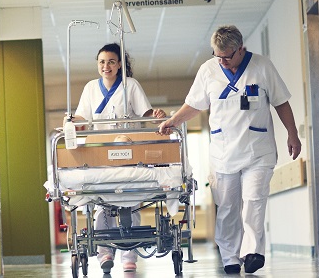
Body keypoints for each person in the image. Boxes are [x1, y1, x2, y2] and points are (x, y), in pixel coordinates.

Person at [156, 25, 301, 274]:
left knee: (254, 200)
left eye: (227, 56)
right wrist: (174, 121)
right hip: (223, 153)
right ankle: (230, 256)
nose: (222, 61)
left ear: (240, 49)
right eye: (217, 56)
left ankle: (253, 252)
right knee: (227, 208)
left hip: (258, 150)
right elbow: (194, 105)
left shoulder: (262, 66)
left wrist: (293, 133)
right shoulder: (208, 70)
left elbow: (281, 103)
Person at [67, 43, 166, 273]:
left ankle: (129, 255)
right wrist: (73, 121)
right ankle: (105, 253)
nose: (106, 66)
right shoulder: (91, 87)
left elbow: (146, 112)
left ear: (120, 64)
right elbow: (83, 116)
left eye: (111, 61)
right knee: (102, 203)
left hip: (127, 150)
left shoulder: (130, 85)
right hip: (100, 152)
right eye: (102, 62)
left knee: (130, 201)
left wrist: (157, 115)